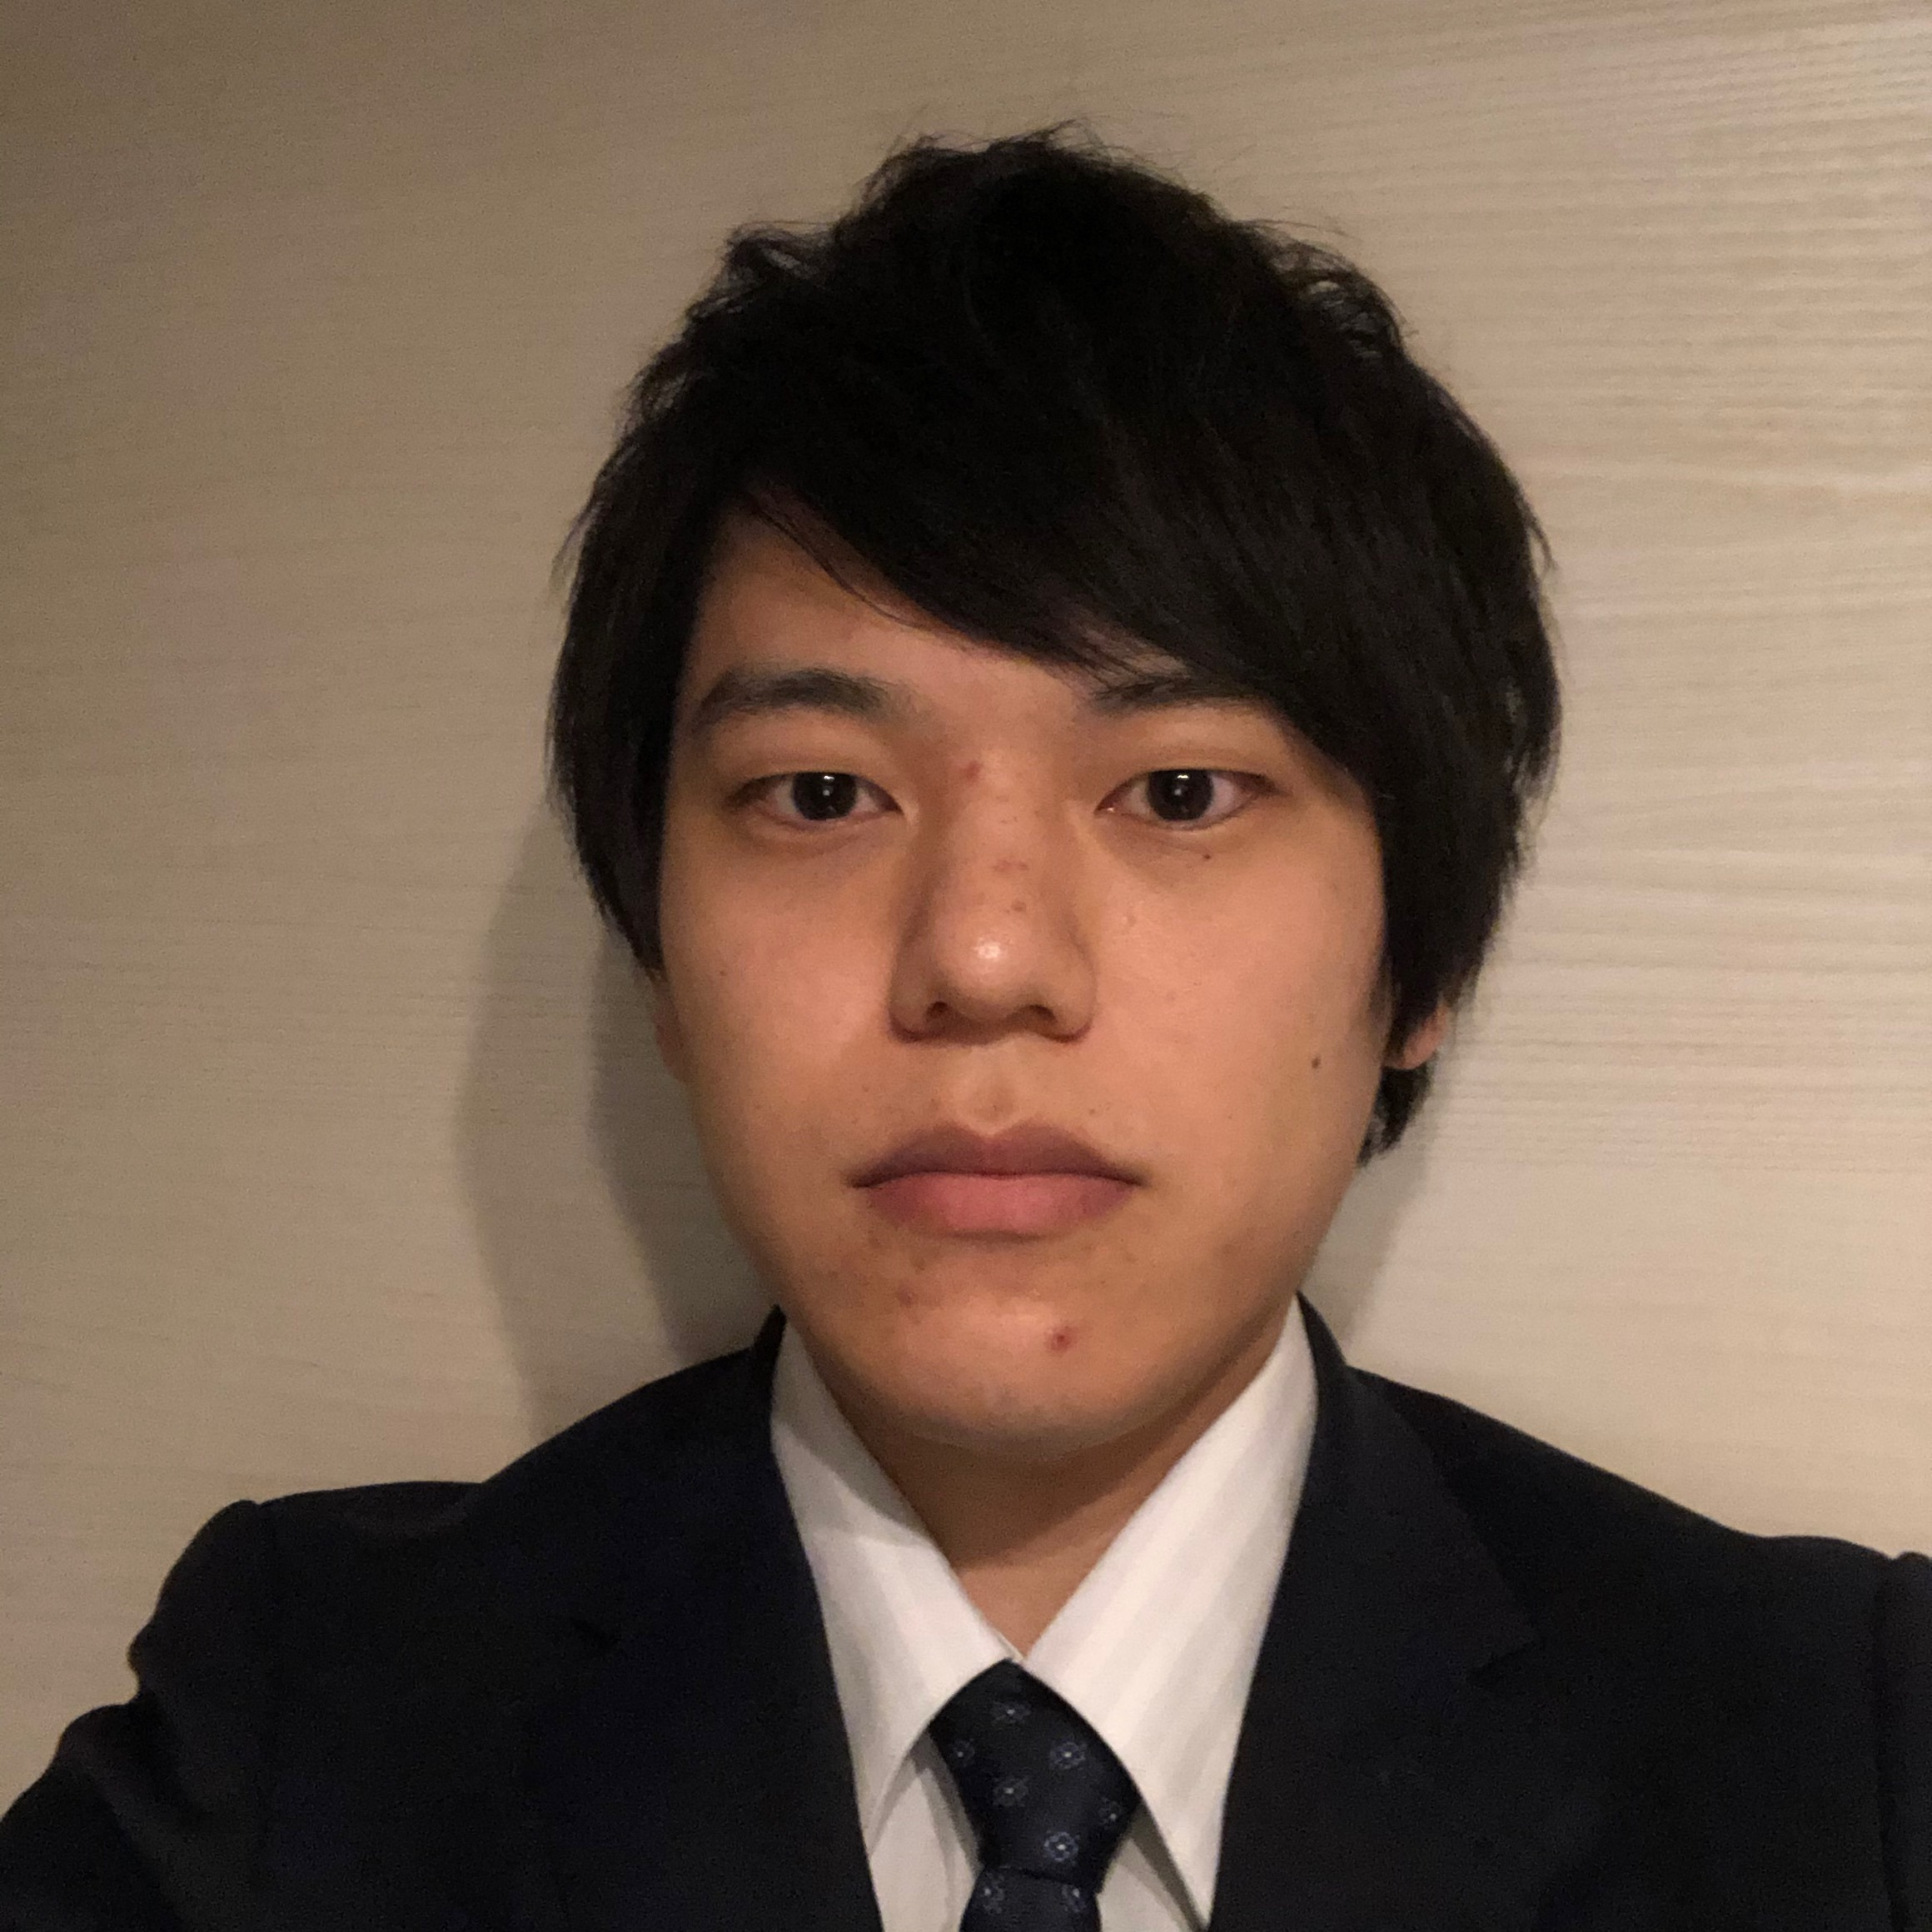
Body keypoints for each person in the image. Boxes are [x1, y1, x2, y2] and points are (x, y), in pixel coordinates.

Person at [1, 125, 1925, 1932]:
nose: (985, 955)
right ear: (658, 952)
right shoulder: (305, 1725)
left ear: (1416, 960)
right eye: (821, 792)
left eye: (1177, 790)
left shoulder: (1838, 1758)